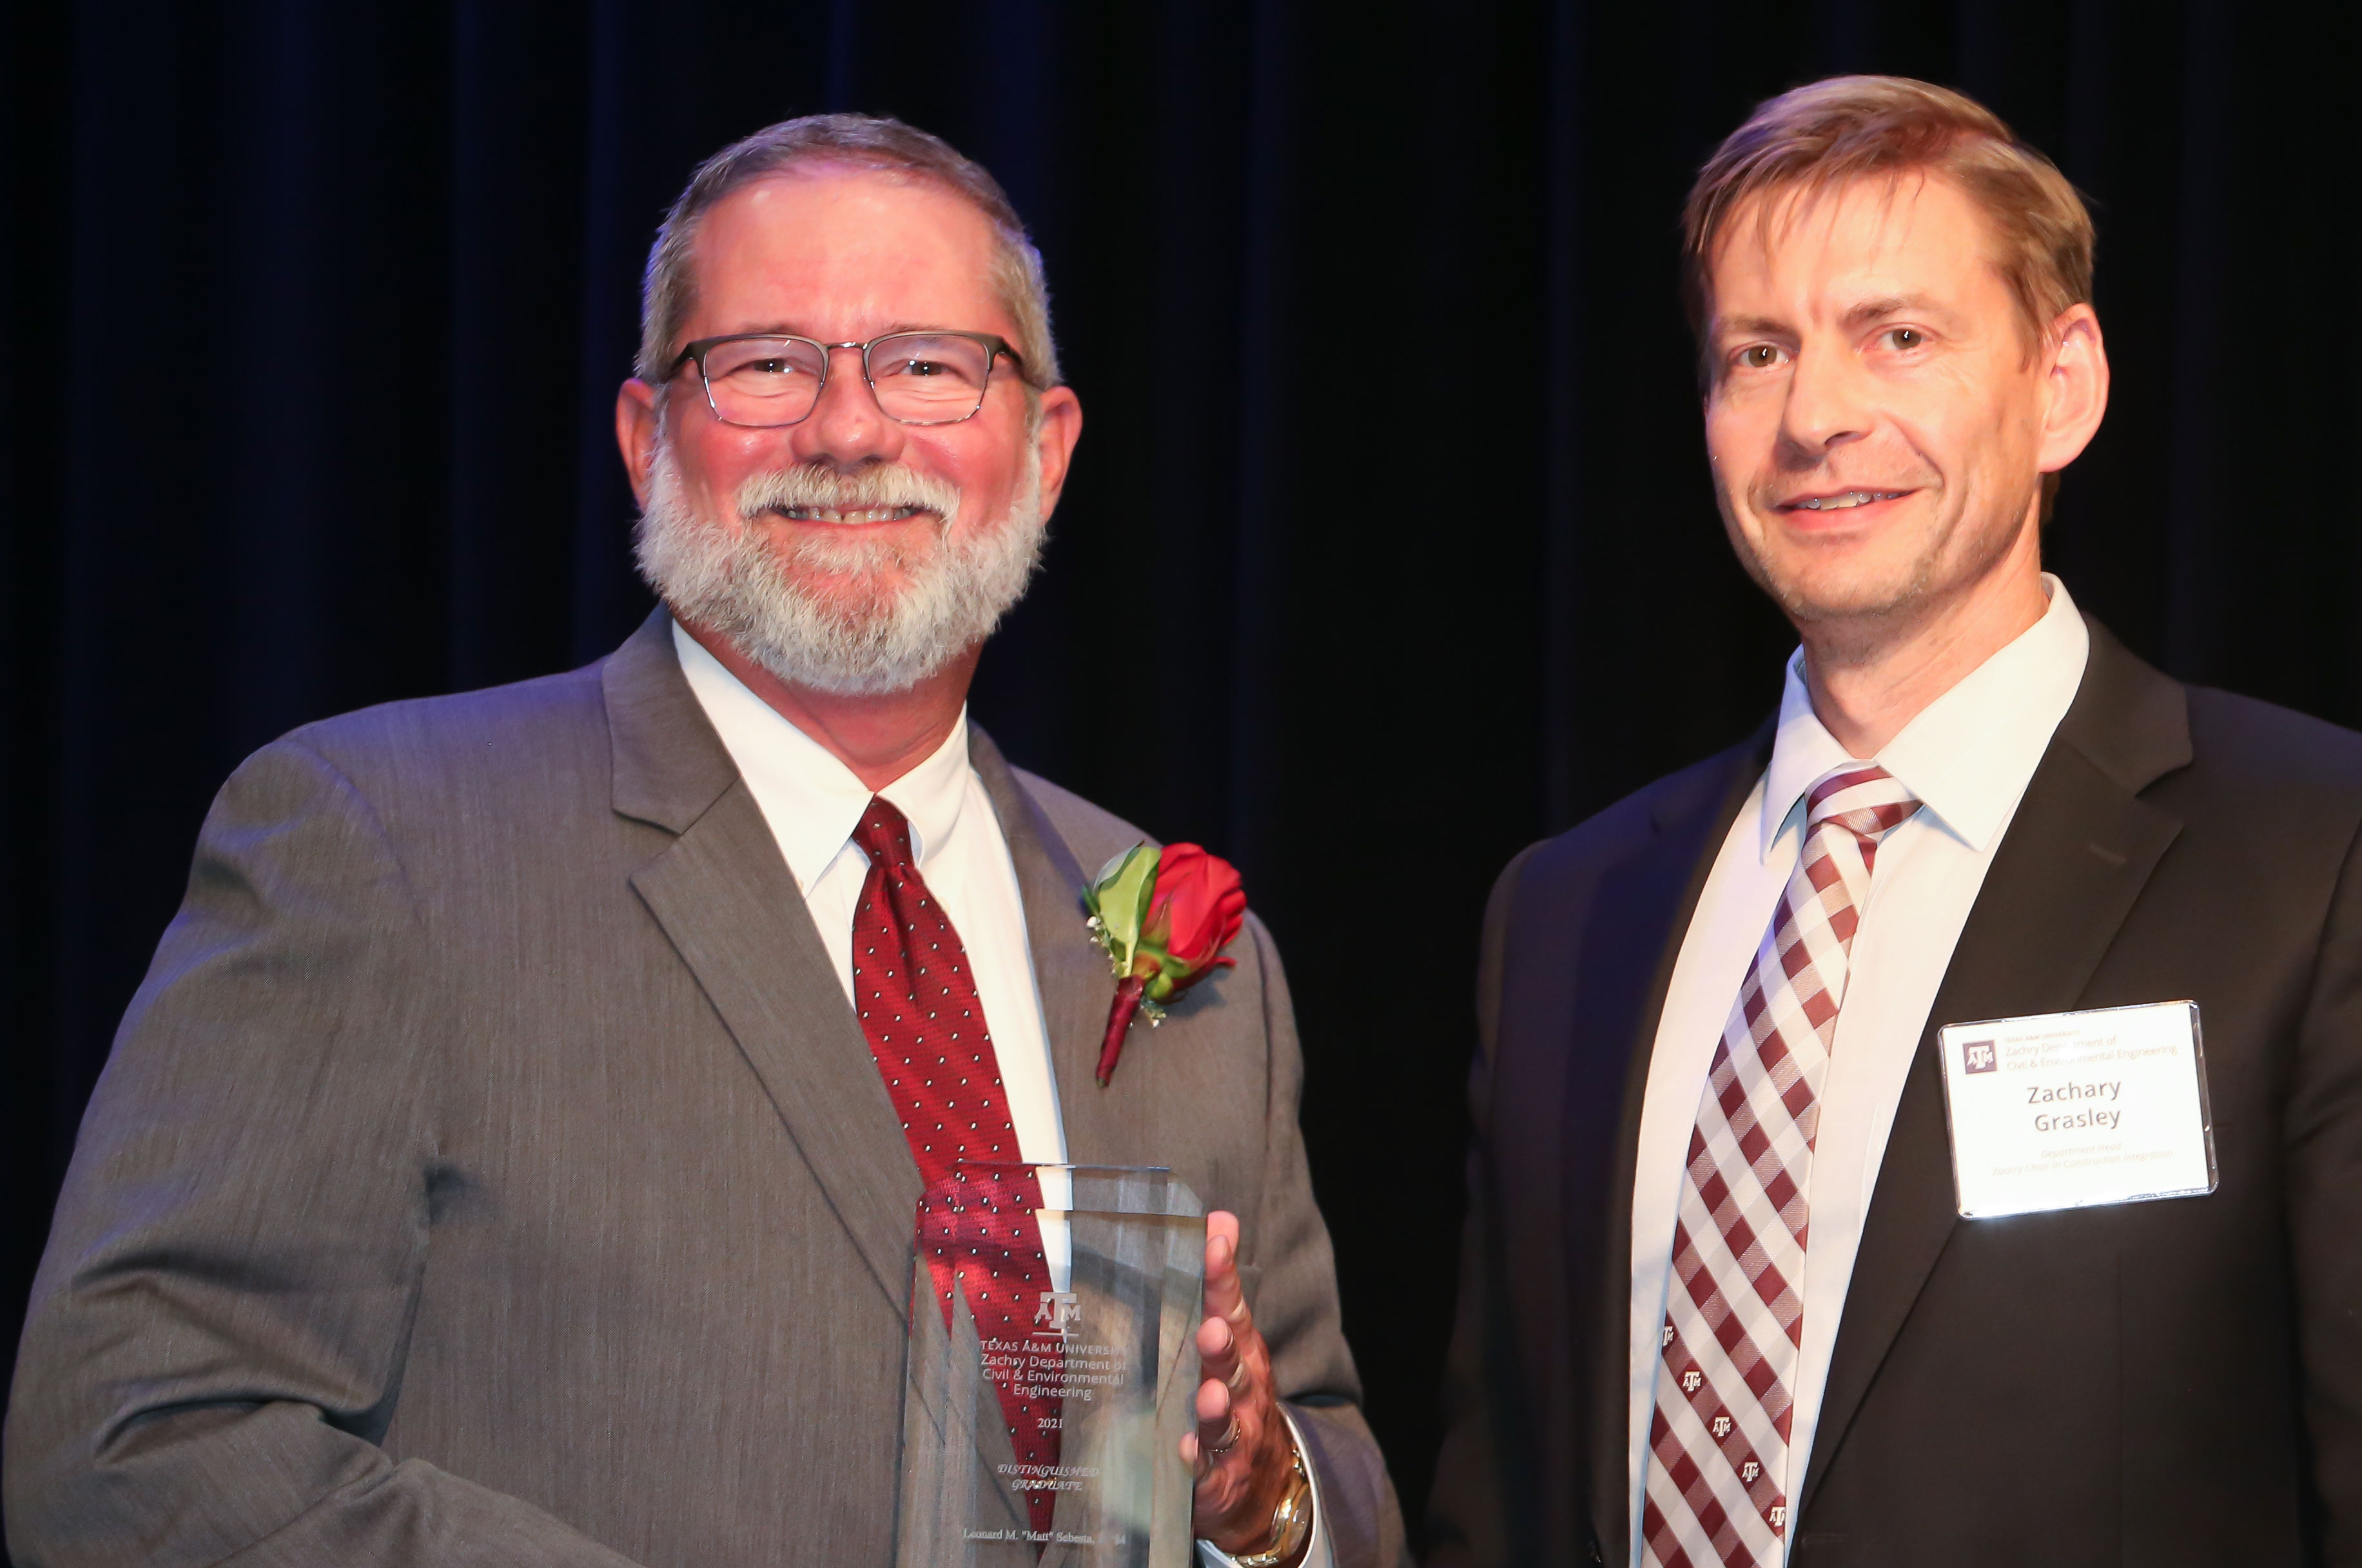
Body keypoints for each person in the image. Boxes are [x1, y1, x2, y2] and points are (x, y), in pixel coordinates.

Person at [5, 115, 1398, 1568]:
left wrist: (1262, 1496)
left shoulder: (1201, 968)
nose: (849, 429)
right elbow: (132, 1450)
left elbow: (1345, 1483)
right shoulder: (385, 844)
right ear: (643, 437)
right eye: (765, 363)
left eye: (927, 364)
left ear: (1044, 451)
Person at [1422, 76, 2362, 1568]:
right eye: (1756, 353)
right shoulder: (1569, 915)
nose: (1816, 417)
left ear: (2064, 386)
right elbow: (1499, 1506)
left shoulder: (2336, 864)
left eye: (1897, 337)